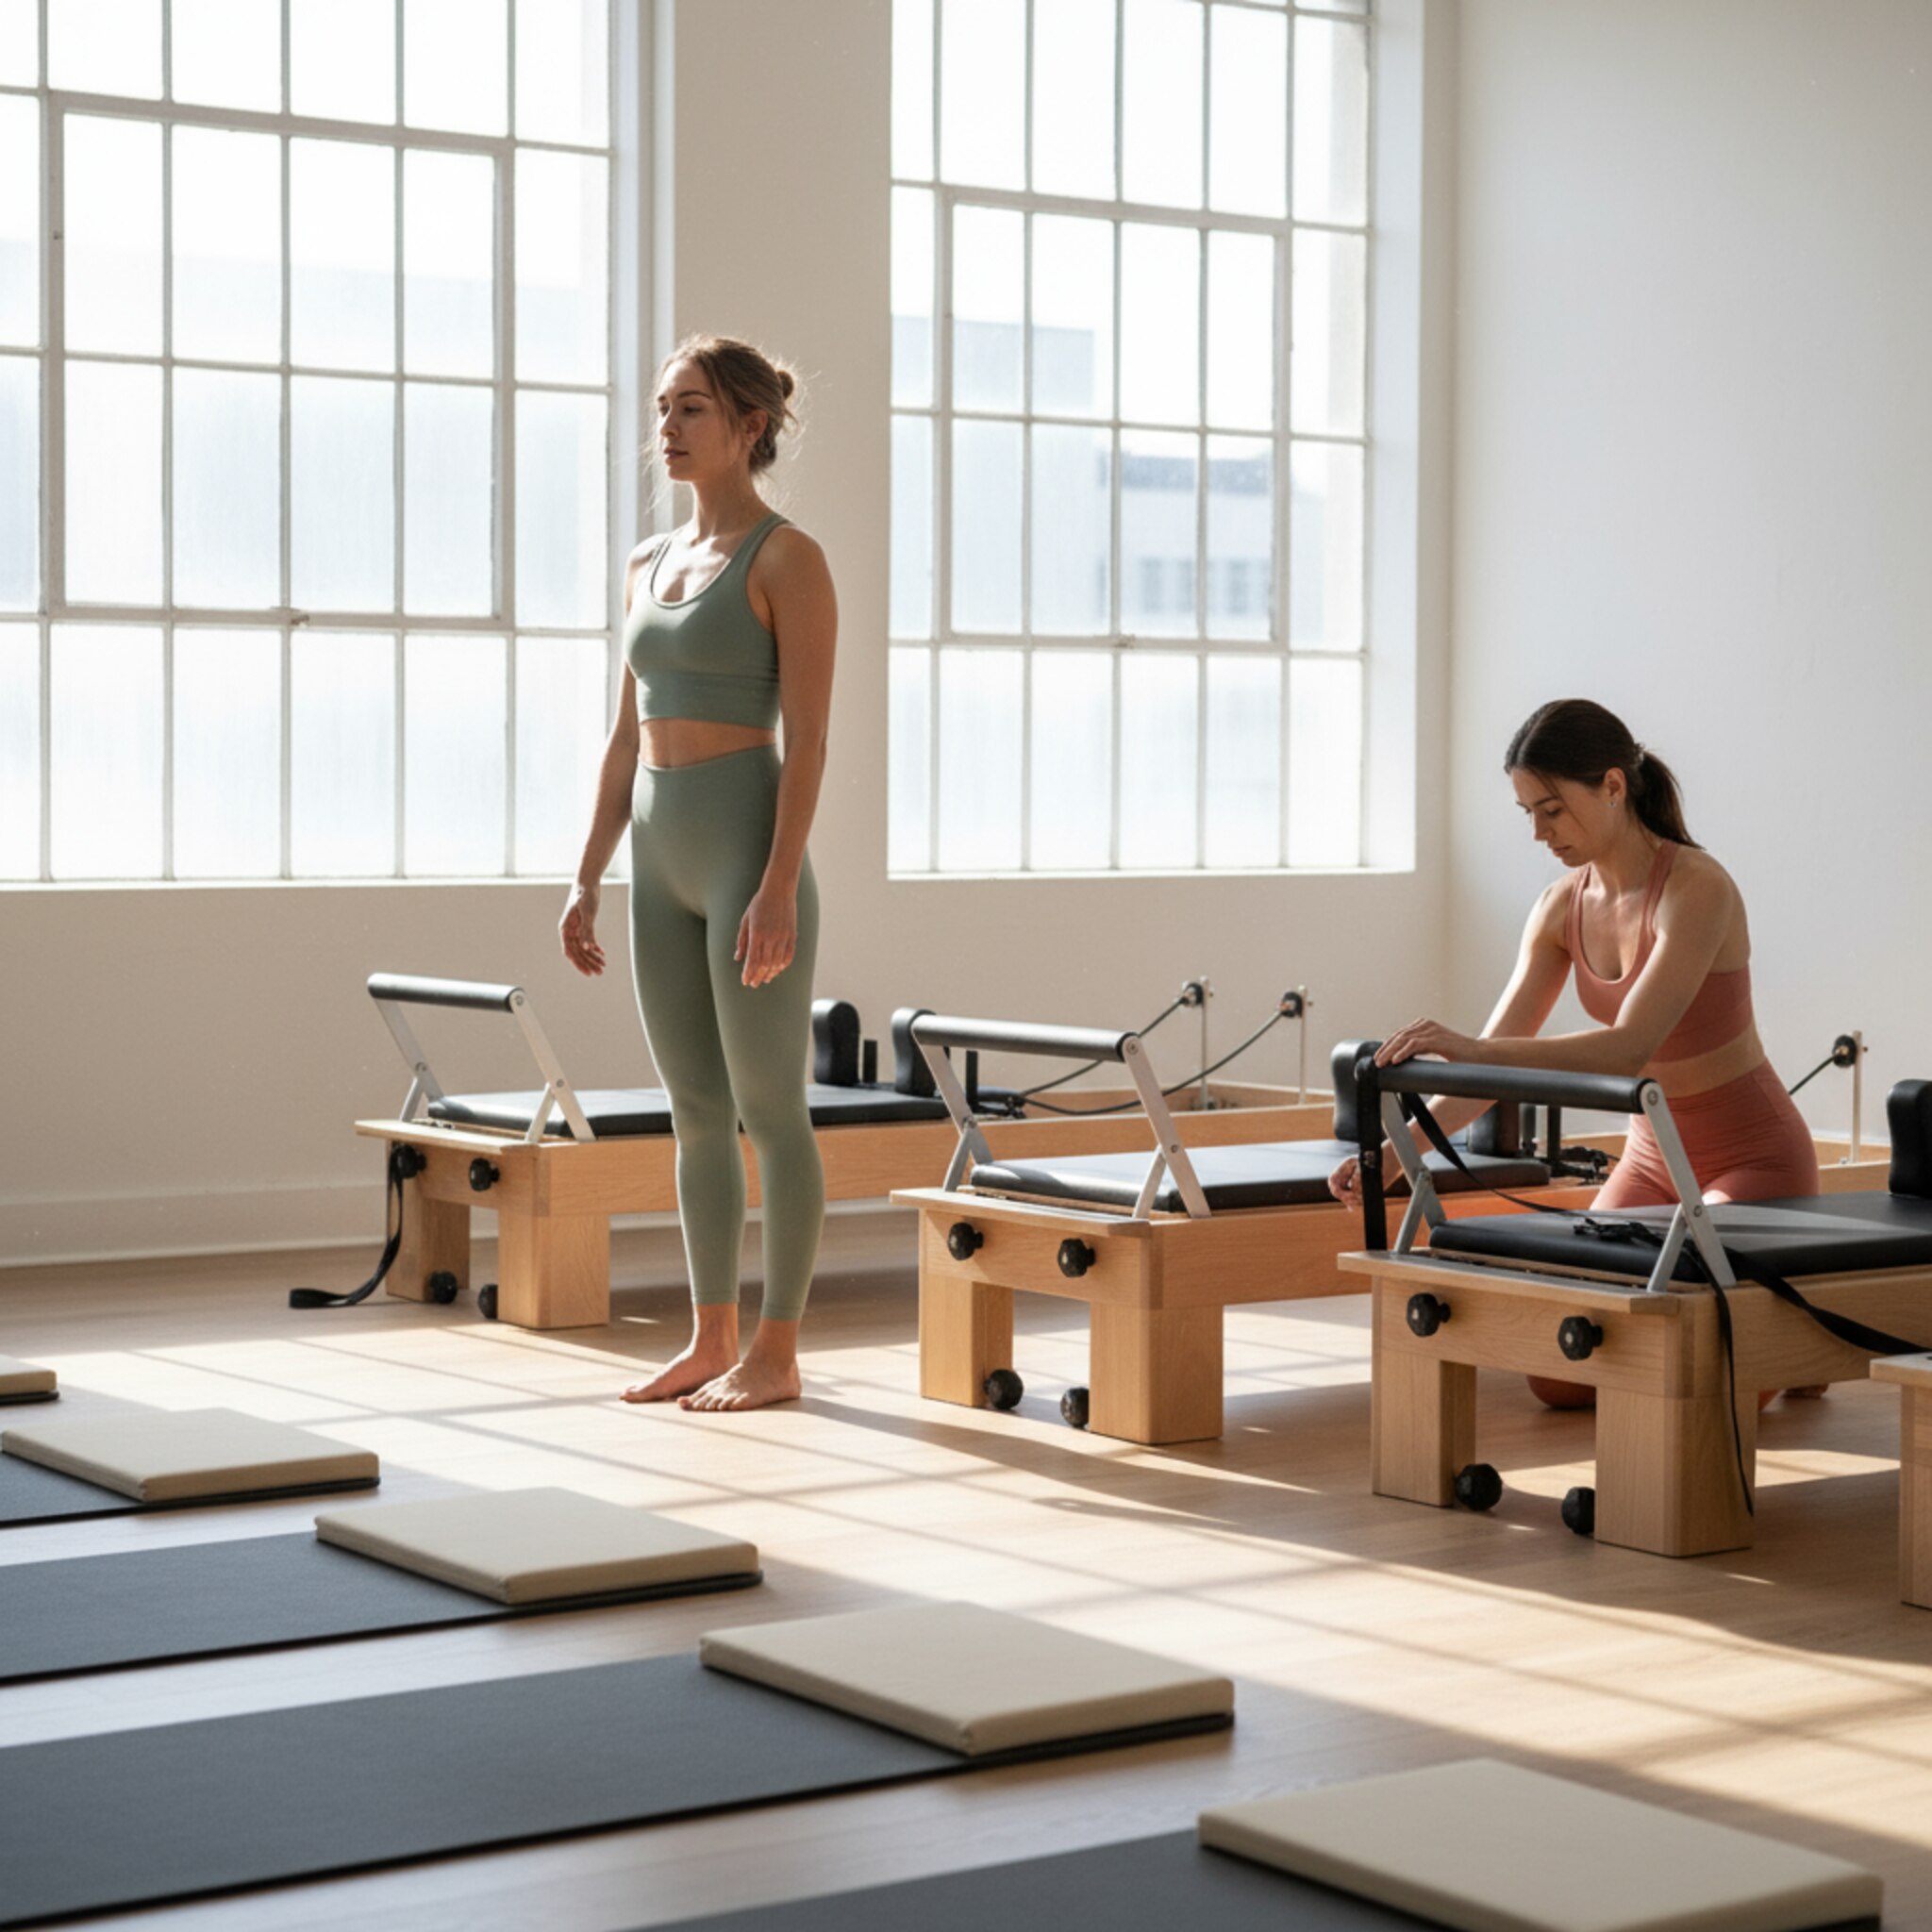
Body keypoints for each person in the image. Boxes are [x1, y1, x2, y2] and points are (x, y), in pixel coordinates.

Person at [1329, 698, 1819, 1407]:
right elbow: (1487, 1071)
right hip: (1651, 1161)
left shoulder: (1697, 889)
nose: (1538, 832)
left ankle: (1807, 1344)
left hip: (1753, 1157)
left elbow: (1628, 1049)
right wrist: (1398, 1153)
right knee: (1559, 1377)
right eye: (1527, 812)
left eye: (1552, 809)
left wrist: (1472, 1046)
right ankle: (1793, 1334)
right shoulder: (1560, 906)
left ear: (1614, 785)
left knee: (1704, 1370)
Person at [560, 336, 836, 1412]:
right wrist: (587, 875)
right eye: (663, 408)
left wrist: (778, 884)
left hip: (745, 860)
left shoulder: (786, 559)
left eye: (692, 409)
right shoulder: (645, 562)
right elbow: (623, 739)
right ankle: (709, 1333)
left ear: (749, 426)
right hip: (658, 859)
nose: (667, 429)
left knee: (769, 1109)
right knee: (694, 1109)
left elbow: (808, 741)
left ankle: (777, 1349)